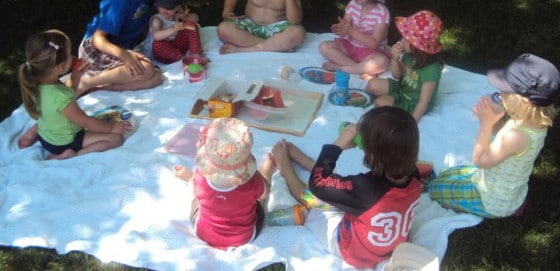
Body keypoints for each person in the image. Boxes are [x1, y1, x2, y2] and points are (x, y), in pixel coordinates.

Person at [269, 106, 423, 269]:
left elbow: (318, 185)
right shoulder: (414, 175)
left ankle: (285, 169)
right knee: (337, 187)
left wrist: (337, 145)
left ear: (370, 153)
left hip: (353, 250)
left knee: (312, 201)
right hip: (387, 242)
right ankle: (305, 161)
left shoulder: (365, 189)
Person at [427, 53, 560, 218]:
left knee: (435, 190)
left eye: (505, 91)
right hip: (501, 184)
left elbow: (480, 161)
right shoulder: (534, 123)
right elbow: (504, 136)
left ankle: (492, 209)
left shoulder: (516, 137)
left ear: (523, 102)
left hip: (491, 198)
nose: (500, 93)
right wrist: (495, 122)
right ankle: (514, 204)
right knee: (449, 174)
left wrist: (485, 124)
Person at [17, 29, 132, 160]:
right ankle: (71, 155)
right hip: (63, 143)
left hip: (46, 137)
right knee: (116, 139)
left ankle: (34, 132)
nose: (72, 57)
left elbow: (63, 95)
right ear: (60, 66)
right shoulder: (61, 97)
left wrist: (76, 77)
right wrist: (111, 127)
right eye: (68, 55)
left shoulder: (34, 84)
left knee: (51, 116)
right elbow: (85, 121)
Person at [172, 118, 271, 249]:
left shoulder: (200, 177)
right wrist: (255, 173)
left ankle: (189, 178)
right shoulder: (252, 183)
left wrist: (194, 180)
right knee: (258, 204)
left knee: (197, 200)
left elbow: (193, 193)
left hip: (205, 233)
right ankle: (267, 168)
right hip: (243, 237)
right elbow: (265, 193)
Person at [365, 10, 444, 122]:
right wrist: (394, 59)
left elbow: (423, 101)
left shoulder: (431, 69)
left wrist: (412, 123)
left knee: (381, 103)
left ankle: (388, 107)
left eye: (406, 40)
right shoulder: (409, 55)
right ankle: (386, 103)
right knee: (372, 84)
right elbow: (397, 76)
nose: (401, 41)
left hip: (414, 102)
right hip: (403, 89)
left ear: (418, 47)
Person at [76, 0, 163, 96]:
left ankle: (96, 87)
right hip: (95, 47)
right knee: (147, 69)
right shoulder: (119, 3)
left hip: (119, 48)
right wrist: (125, 56)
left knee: (156, 79)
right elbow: (98, 39)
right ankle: (86, 83)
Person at [319, 0, 390, 76]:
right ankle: (359, 69)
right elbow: (346, 27)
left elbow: (374, 44)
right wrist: (341, 30)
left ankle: (340, 68)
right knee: (324, 47)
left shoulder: (382, 12)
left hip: (371, 52)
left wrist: (351, 31)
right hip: (350, 46)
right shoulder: (353, 4)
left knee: (382, 62)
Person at [216, 0, 306, 54]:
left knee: (298, 32)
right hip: (250, 25)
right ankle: (276, 47)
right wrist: (227, 11)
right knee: (223, 29)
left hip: (276, 29)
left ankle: (244, 49)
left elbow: (294, 20)